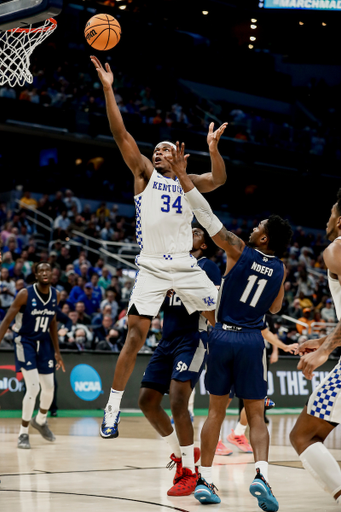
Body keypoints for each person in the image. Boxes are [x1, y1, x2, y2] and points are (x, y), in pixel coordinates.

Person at [90, 55, 228, 439]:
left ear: (179, 155)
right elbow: (122, 136)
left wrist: (214, 148)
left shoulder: (190, 181)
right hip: (151, 264)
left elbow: (219, 179)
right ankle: (112, 408)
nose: (158, 152)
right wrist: (108, 88)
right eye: (156, 150)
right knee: (135, 335)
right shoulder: (143, 175)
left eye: (165, 149)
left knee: (222, 323)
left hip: (185, 264)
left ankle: (240, 384)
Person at [169, 142, 292, 509]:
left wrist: (182, 177)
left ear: (264, 238)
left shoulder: (240, 249)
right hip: (253, 340)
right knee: (256, 414)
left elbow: (208, 220)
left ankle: (205, 479)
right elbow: (275, 305)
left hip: (222, 336)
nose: (253, 228)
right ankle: (263, 478)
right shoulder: (281, 268)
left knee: (215, 412)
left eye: (258, 227)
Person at [138, 224, 221, 496]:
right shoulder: (171, 265)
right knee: (147, 400)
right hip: (167, 339)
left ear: (204, 244)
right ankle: (180, 453)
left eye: (196, 232)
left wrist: (180, 285)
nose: (190, 233)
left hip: (192, 338)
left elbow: (212, 309)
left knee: (176, 400)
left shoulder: (207, 267)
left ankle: (189, 471)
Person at [290, 189, 341, 508]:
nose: (327, 221)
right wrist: (324, 342)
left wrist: (324, 352)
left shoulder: (335, 249)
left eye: (331, 215)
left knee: (303, 435)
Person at [0, 262, 65, 449]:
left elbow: (52, 321)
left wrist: (57, 351)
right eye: (41, 270)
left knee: (50, 388)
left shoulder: (56, 295)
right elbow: (6, 321)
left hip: (44, 343)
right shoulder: (25, 294)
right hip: (25, 341)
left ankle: (41, 420)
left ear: (52, 273)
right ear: (36, 275)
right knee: (33, 388)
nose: (45, 272)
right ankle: (23, 433)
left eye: (48, 270)